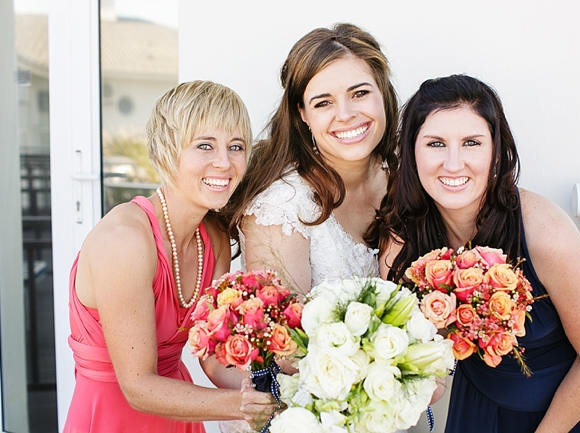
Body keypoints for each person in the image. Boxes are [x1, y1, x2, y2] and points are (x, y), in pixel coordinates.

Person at [378, 74, 580, 432]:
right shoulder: (401, 242)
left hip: (575, 406)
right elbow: (422, 370)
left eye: (471, 143)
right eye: (435, 144)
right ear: (412, 150)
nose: (452, 163)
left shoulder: (544, 231)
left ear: (495, 149)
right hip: (483, 406)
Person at [216, 23, 399, 433]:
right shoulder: (281, 205)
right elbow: (287, 348)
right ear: (302, 115)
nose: (346, 115)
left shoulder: (406, 181)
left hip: (384, 411)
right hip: (298, 416)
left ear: (382, 91)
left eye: (359, 93)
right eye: (323, 102)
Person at [63, 81, 276, 433]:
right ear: (167, 149)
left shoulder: (215, 238)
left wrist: (284, 388)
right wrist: (247, 406)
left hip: (177, 413)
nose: (224, 163)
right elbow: (138, 387)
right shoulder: (124, 240)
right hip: (111, 416)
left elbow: (212, 355)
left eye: (235, 146)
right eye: (205, 145)